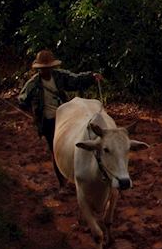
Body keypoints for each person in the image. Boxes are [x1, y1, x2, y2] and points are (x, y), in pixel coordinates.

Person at [18, 49, 103, 187]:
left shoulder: (60, 76)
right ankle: (62, 182)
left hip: (67, 117)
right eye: (44, 68)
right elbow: (22, 100)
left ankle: (77, 173)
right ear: (39, 69)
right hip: (48, 121)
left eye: (48, 68)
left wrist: (91, 77)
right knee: (55, 150)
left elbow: (76, 79)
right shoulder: (33, 84)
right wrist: (33, 112)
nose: (46, 70)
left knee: (75, 144)